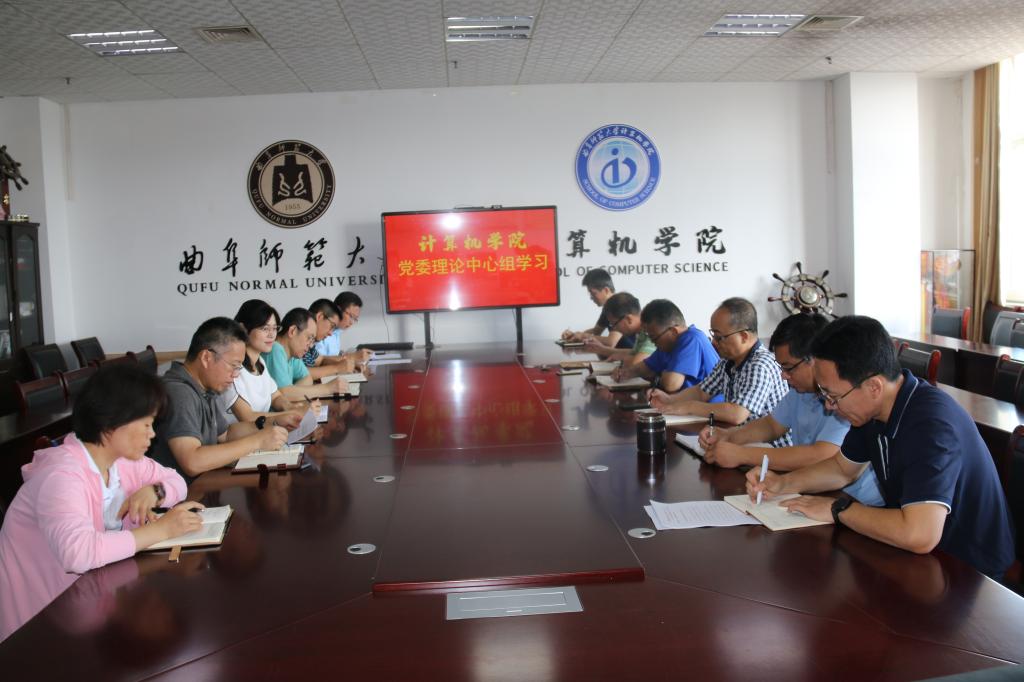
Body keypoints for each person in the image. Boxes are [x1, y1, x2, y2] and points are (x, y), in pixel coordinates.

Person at [746, 315, 1015, 580]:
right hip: (922, 558)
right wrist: (782, 483)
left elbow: (919, 535)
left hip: (970, 570)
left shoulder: (930, 425)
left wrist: (837, 509)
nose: (828, 406)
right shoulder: (873, 411)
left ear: (873, 386)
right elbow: (842, 469)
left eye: (833, 396)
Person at [0, 365, 203, 642]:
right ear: (111, 423)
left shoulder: (123, 462)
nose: (153, 434)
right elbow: (78, 553)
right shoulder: (62, 477)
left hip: (89, 595)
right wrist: (162, 530)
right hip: (33, 627)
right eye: (146, 424)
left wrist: (155, 491)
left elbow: (176, 480)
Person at [699, 313, 884, 506]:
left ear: (815, 360)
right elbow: (771, 425)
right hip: (819, 489)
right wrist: (729, 436)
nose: (784, 376)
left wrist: (741, 455)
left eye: (789, 368)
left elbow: (821, 455)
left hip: (855, 500)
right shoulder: (801, 391)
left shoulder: (846, 397)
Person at [150, 317, 289, 479]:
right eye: (234, 366)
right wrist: (257, 442)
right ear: (206, 358)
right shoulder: (179, 392)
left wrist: (273, 423)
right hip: (184, 490)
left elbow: (226, 434)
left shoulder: (206, 387)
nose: (236, 375)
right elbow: (192, 461)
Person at [650, 297, 790, 446]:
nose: (714, 343)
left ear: (743, 336)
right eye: (713, 336)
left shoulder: (760, 365)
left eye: (720, 337)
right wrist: (669, 400)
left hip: (772, 450)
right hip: (744, 442)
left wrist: (690, 407)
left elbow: (737, 414)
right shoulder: (727, 362)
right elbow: (701, 391)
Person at [221, 299, 311, 427]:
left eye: (274, 328)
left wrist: (291, 407)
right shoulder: (232, 368)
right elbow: (247, 417)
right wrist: (291, 414)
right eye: (265, 328)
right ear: (243, 329)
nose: (272, 334)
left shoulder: (260, 362)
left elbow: (276, 397)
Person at [612, 299, 718, 393]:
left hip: (708, 407)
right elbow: (645, 368)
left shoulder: (692, 339)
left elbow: (671, 384)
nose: (653, 342)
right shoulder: (666, 346)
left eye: (654, 337)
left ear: (673, 332)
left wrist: (657, 376)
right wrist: (625, 373)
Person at [263, 307, 349, 401]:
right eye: (309, 338)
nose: (311, 345)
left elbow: (307, 378)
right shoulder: (274, 349)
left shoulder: (292, 355)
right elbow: (284, 394)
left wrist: (294, 392)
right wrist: (327, 389)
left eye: (312, 340)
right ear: (292, 331)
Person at [560, 268, 630, 348]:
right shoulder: (608, 307)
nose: (591, 297)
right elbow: (596, 331)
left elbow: (611, 342)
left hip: (628, 354)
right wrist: (575, 335)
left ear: (606, 290)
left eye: (593, 293)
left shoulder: (620, 306)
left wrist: (583, 336)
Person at [583, 292, 655, 368]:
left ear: (629, 319)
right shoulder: (641, 333)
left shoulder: (650, 331)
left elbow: (636, 364)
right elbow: (634, 352)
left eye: (614, 324)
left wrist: (623, 358)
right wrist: (601, 349)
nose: (614, 329)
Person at [313, 292, 372, 367]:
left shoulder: (337, 332)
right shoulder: (319, 332)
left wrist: (351, 362)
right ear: (339, 310)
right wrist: (351, 357)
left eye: (355, 319)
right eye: (351, 316)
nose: (351, 322)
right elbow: (319, 361)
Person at [302, 298, 354, 380]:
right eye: (332, 326)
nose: (330, 333)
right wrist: (336, 368)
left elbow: (320, 360)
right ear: (319, 317)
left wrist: (347, 364)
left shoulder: (310, 343)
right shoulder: (299, 338)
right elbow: (299, 373)